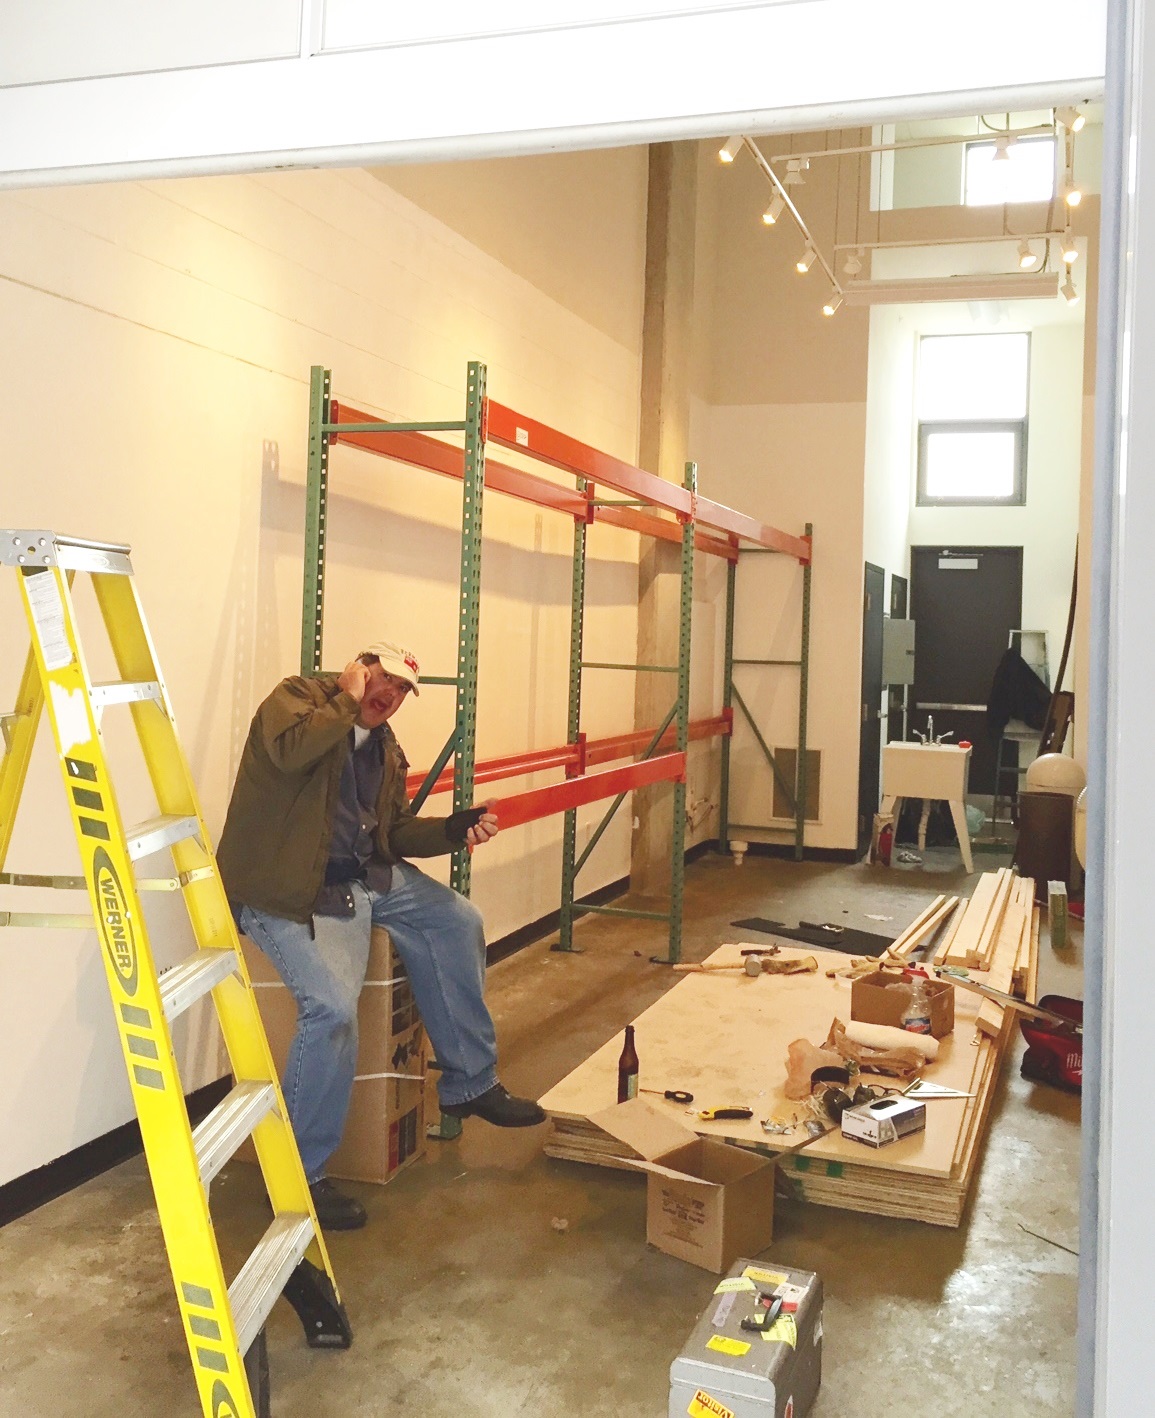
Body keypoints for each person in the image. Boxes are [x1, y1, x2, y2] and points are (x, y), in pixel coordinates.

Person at [217, 638, 545, 1231]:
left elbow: (390, 834)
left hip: (362, 879)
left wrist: (452, 829)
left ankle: (470, 1083)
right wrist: (344, 700)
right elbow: (290, 755)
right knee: (330, 1010)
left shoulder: (385, 749)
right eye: (382, 679)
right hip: (289, 889)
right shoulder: (296, 700)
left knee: (458, 920)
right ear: (357, 669)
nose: (389, 695)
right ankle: (297, 1176)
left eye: (400, 690)